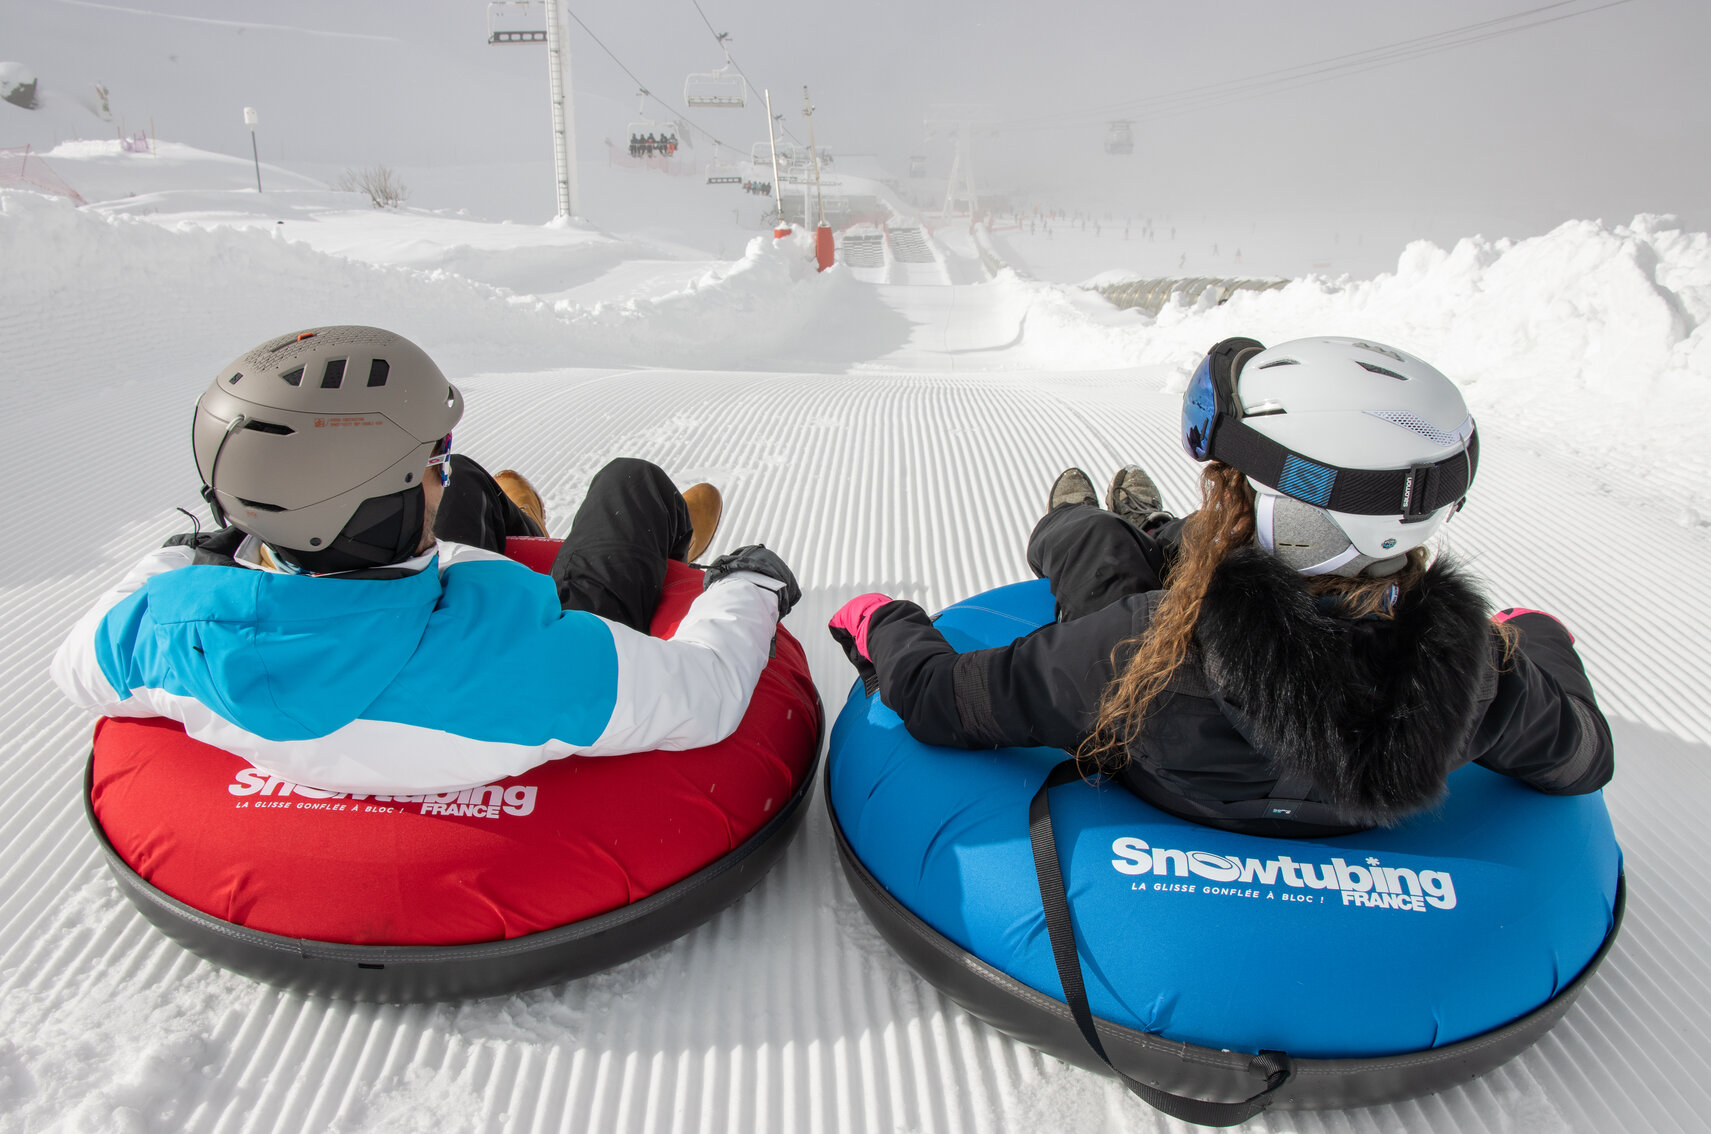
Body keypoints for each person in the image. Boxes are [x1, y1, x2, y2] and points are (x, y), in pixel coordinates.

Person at [830, 336, 1612, 837]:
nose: (1223, 492)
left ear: (1288, 516)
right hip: (1316, 779)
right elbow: (1582, 756)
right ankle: (1157, 527)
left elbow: (941, 700)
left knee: (1097, 550)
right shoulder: (1480, 675)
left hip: (1170, 772)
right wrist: (1533, 635)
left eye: (1230, 488)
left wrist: (885, 623)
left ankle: (1084, 521)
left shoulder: (1139, 647)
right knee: (1175, 555)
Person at [52, 326, 800, 796]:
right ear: (388, 504)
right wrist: (748, 585)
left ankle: (512, 515)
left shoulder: (176, 628)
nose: (435, 468)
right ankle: (664, 528)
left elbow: (75, 662)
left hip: (385, 606)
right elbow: (707, 695)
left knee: (474, 481)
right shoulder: (528, 666)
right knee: (629, 483)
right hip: (510, 630)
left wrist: (181, 555)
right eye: (425, 463)